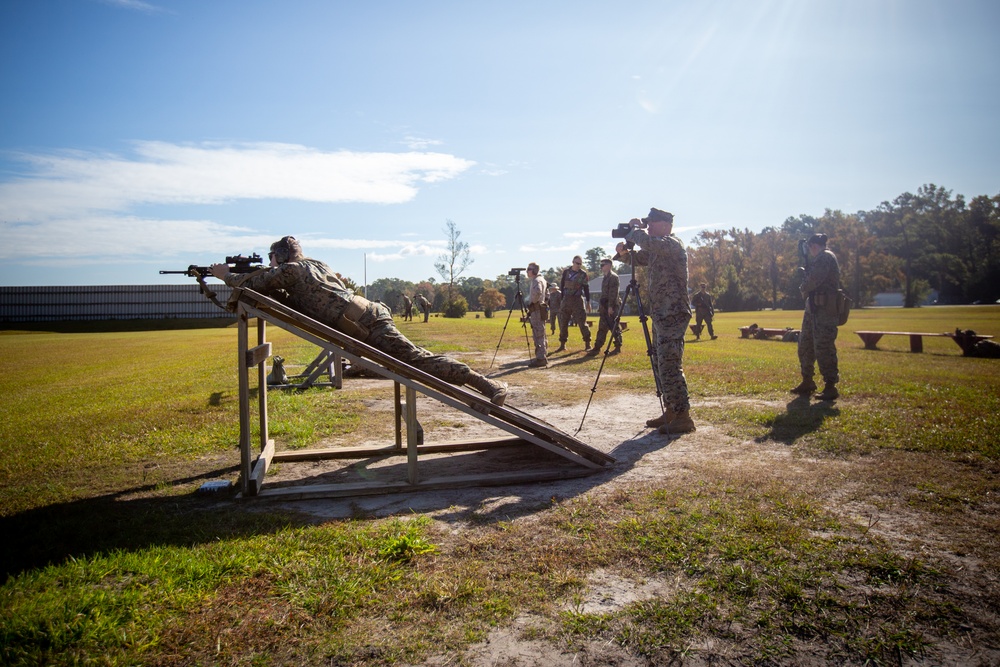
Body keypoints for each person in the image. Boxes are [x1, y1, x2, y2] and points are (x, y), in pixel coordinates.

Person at [211, 236, 507, 405]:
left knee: (415, 361)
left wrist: (225, 275)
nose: (271, 262)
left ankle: (484, 384)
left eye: (272, 257)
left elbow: (260, 282)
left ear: (282, 256)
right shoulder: (314, 264)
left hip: (365, 322)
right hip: (366, 314)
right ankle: (481, 383)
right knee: (412, 361)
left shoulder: (293, 270)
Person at [614, 208, 695, 434]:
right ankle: (671, 409)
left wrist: (635, 230)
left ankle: (683, 416)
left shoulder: (672, 243)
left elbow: (648, 243)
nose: (648, 226)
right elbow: (640, 257)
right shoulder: (657, 247)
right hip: (660, 312)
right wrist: (623, 253)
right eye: (647, 223)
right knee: (660, 362)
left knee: (670, 363)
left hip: (673, 312)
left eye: (653, 222)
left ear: (666, 225)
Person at [793, 233, 840, 401]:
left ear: (814, 245)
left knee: (823, 346)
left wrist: (803, 286)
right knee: (805, 343)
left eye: (810, 247)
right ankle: (807, 380)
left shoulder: (825, 257)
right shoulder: (819, 258)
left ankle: (830, 385)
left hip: (824, 309)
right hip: (813, 307)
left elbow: (813, 281)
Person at [586, 258, 622, 356]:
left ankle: (618, 346)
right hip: (604, 306)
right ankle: (597, 347)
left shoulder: (613, 277)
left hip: (611, 306)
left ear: (609, 265)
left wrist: (610, 307)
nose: (601, 266)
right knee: (602, 327)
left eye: (603, 264)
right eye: (601, 264)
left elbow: (613, 293)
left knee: (614, 327)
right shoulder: (605, 277)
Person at [555, 255, 591, 352]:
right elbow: (562, 286)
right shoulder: (566, 272)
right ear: (573, 262)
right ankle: (562, 344)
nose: (579, 265)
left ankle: (587, 343)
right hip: (566, 299)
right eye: (577, 263)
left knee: (582, 322)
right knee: (563, 322)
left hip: (577, 300)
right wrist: (562, 299)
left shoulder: (583, 274)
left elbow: (586, 288)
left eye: (580, 264)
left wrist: (588, 302)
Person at [525, 263, 548, 367]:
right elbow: (547, 294)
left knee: (538, 334)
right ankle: (542, 355)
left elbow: (538, 292)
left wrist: (533, 302)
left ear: (534, 270)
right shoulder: (542, 279)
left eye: (529, 269)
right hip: (540, 309)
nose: (527, 271)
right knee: (541, 333)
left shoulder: (536, 280)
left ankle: (541, 358)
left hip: (537, 310)